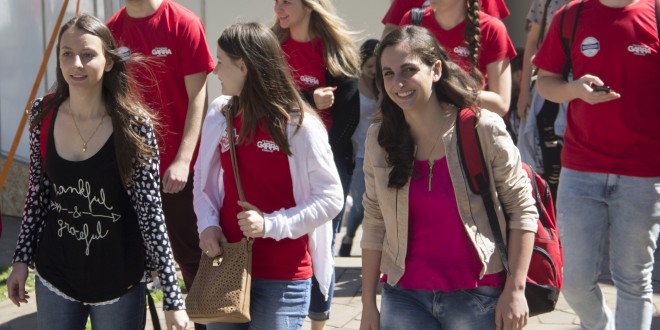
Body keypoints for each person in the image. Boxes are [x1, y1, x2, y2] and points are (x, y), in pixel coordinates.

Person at [6, 14, 188, 329]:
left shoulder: (134, 125)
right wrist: (21, 258)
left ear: (107, 62)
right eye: (67, 53)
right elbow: (37, 192)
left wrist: (172, 297)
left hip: (119, 281)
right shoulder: (43, 112)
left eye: (88, 54)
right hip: (55, 277)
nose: (76, 63)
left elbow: (151, 214)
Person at [360, 26, 538, 330]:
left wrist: (516, 290)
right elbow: (375, 220)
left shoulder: (482, 128)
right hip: (404, 296)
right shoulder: (380, 138)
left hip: (477, 296)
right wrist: (367, 307)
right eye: (388, 73)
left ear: (436, 69)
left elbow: (523, 209)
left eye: (409, 70)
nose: (398, 83)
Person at [194, 22, 344, 330]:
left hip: (283, 276)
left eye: (221, 61)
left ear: (244, 66)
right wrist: (207, 225)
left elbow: (331, 198)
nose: (215, 70)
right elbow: (202, 182)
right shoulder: (220, 114)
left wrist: (271, 225)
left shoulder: (300, 125)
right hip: (227, 266)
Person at [534, 0, 660, 328]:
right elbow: (546, 81)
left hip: (643, 174)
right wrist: (575, 89)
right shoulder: (570, 16)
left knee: (633, 280)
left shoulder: (655, 13)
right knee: (574, 281)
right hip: (581, 170)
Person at [106, 3, 214, 325]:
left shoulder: (183, 23)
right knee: (132, 264)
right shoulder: (111, 29)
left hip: (177, 173)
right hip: (128, 170)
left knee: (191, 258)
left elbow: (199, 98)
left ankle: (203, 321)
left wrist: (183, 159)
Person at [272, 0, 360, 327]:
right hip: (278, 160)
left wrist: (314, 160)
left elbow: (348, 119)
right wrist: (309, 99)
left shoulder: (335, 52)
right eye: (276, 2)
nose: (278, 8)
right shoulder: (271, 47)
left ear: (309, 6)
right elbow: (265, 99)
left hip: (329, 165)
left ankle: (319, 322)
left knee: (322, 245)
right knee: (286, 241)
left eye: (287, 2)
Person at [399, 0, 517, 116]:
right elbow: (392, 78)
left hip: (466, 129)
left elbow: (501, 104)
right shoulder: (412, 21)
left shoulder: (492, 28)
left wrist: (451, 90)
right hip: (415, 129)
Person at [516, 0, 571, 201]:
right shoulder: (546, 2)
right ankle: (550, 223)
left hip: (581, 93)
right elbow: (532, 42)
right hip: (547, 91)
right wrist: (524, 91)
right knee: (548, 165)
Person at [338, 39, 379, 258]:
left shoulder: (384, 85)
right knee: (363, 202)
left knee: (378, 203)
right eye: (370, 66)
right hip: (358, 153)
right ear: (361, 65)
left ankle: (371, 246)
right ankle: (349, 237)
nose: (373, 71)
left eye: (377, 66)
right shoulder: (353, 86)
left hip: (380, 154)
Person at [380, 0, 510, 38]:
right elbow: (390, 33)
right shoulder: (412, 16)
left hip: (473, 91)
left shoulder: (493, 26)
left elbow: (494, 37)